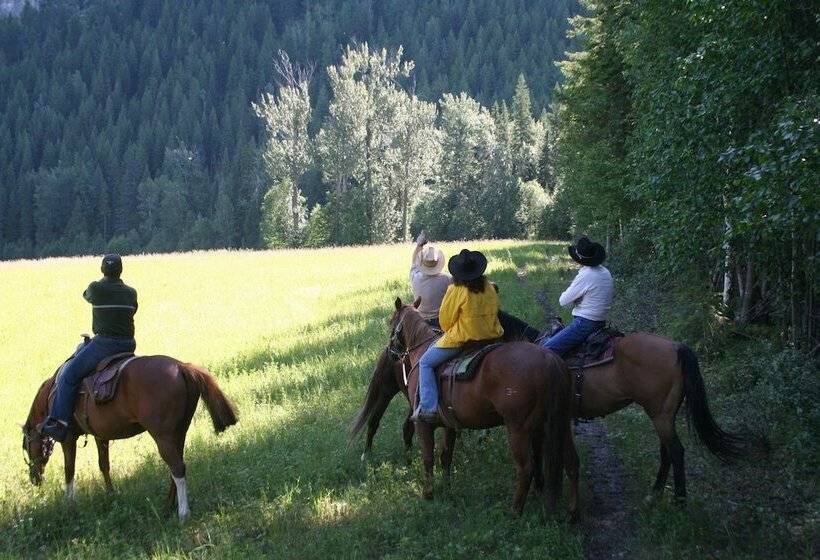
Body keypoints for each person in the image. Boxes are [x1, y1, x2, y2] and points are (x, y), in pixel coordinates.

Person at [39, 254, 138, 442]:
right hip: (128, 343)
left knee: (69, 374)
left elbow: (87, 295)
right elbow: (133, 309)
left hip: (104, 344)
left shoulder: (95, 287)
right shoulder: (131, 292)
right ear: (120, 270)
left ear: (102, 270)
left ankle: (59, 422)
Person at [412, 249, 504, 423]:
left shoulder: (455, 290)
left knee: (425, 363)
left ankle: (429, 408)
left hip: (464, 341)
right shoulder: (490, 288)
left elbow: (445, 320)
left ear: (458, 273)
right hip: (492, 339)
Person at [539, 236, 613, 357]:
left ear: (579, 259)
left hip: (584, 323)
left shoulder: (586, 274)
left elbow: (563, 301)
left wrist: (577, 299)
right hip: (600, 321)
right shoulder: (605, 271)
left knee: (546, 351)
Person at [409, 230, 453, 329]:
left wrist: (419, 245)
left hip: (421, 322)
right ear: (438, 263)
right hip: (441, 322)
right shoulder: (447, 279)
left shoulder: (415, 277)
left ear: (422, 262)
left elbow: (413, 262)